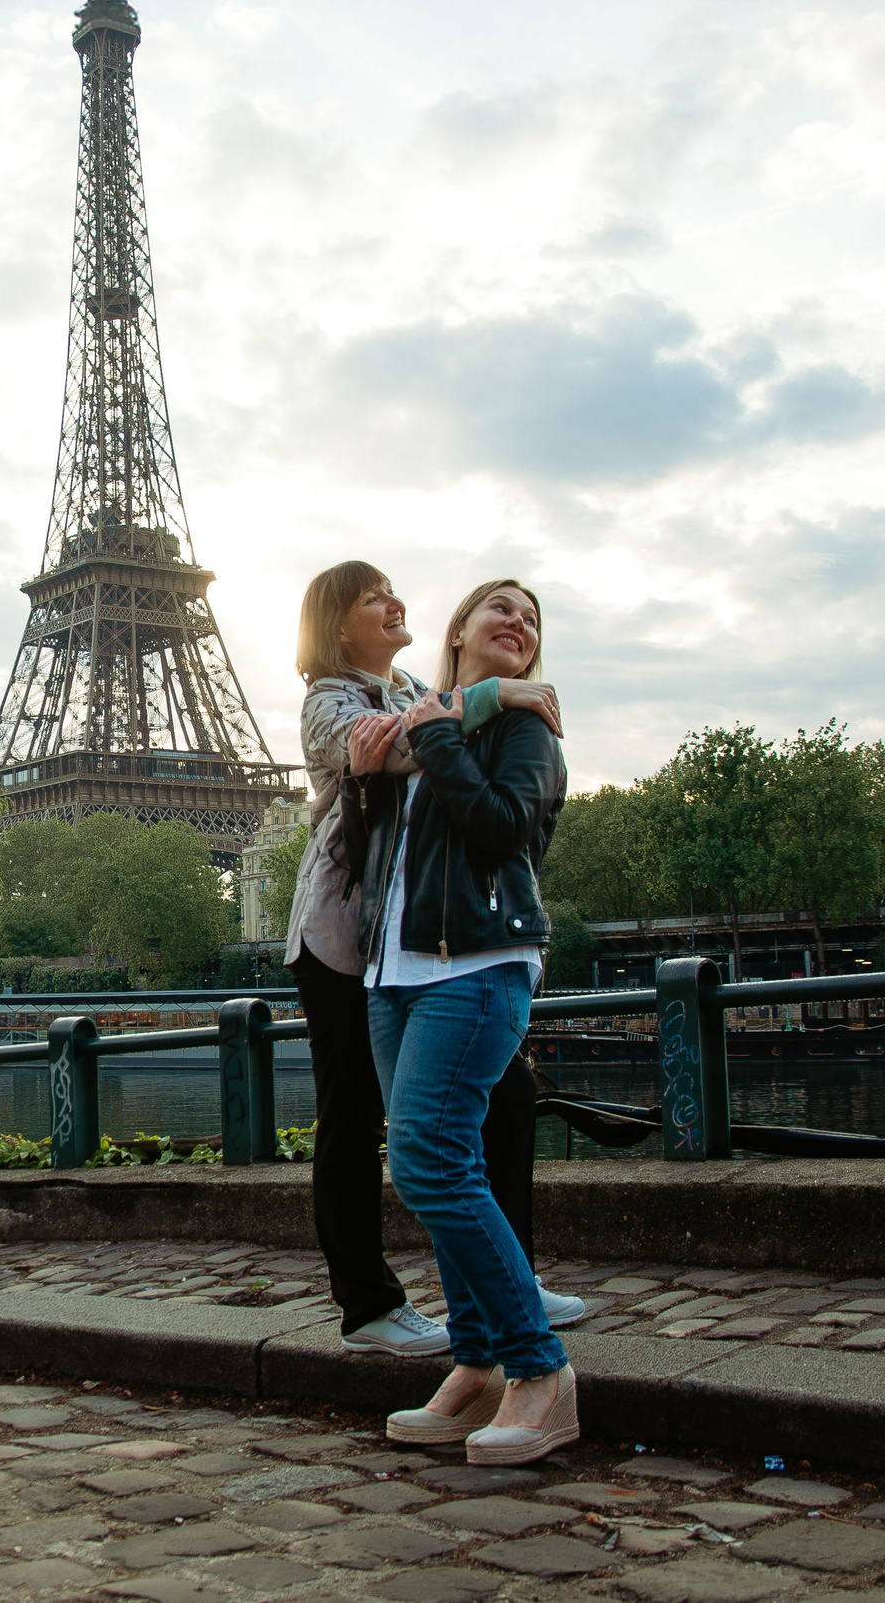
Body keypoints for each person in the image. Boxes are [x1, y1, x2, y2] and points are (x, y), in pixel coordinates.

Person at [282, 563, 571, 1355]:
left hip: (415, 935)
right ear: (338, 625)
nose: (392, 601)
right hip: (345, 935)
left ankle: (503, 1270)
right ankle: (367, 1303)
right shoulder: (330, 699)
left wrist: (480, 702)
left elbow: (441, 751)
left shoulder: (414, 687)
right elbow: (395, 751)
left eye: (391, 590)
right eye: (372, 597)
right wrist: (496, 695)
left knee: (507, 1095)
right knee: (353, 1115)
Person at [350, 577, 577, 1463]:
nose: (518, 622)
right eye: (501, 608)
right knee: (446, 1165)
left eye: (531, 617)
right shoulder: (415, 719)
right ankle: (478, 1360)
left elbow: (497, 829)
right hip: (394, 971)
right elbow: (385, 857)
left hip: (479, 962)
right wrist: (372, 781)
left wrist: (440, 727)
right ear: (460, 630)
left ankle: (540, 1366)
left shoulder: (526, 728)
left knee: (428, 1162)